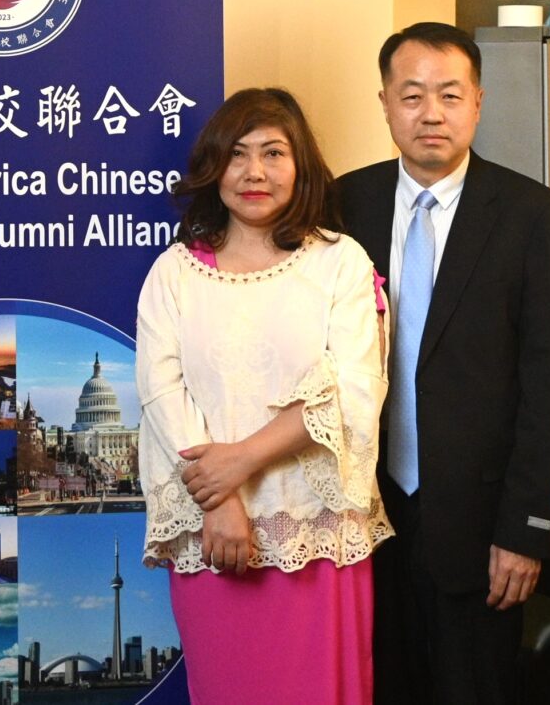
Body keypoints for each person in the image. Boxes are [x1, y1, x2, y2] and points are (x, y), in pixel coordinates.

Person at [338, 23, 550, 704]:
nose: (431, 113)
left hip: (482, 522)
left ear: (478, 102)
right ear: (385, 103)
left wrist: (525, 530)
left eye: (450, 94)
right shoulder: (343, 203)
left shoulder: (534, 215)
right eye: (412, 95)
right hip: (364, 516)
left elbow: (548, 382)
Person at [136, 87, 394, 705]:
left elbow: (353, 390)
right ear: (214, 167)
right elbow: (162, 392)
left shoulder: (340, 262)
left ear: (300, 164)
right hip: (212, 532)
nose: (255, 171)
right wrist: (219, 499)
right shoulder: (175, 272)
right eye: (238, 154)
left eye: (274, 153)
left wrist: (240, 461)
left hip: (317, 534)